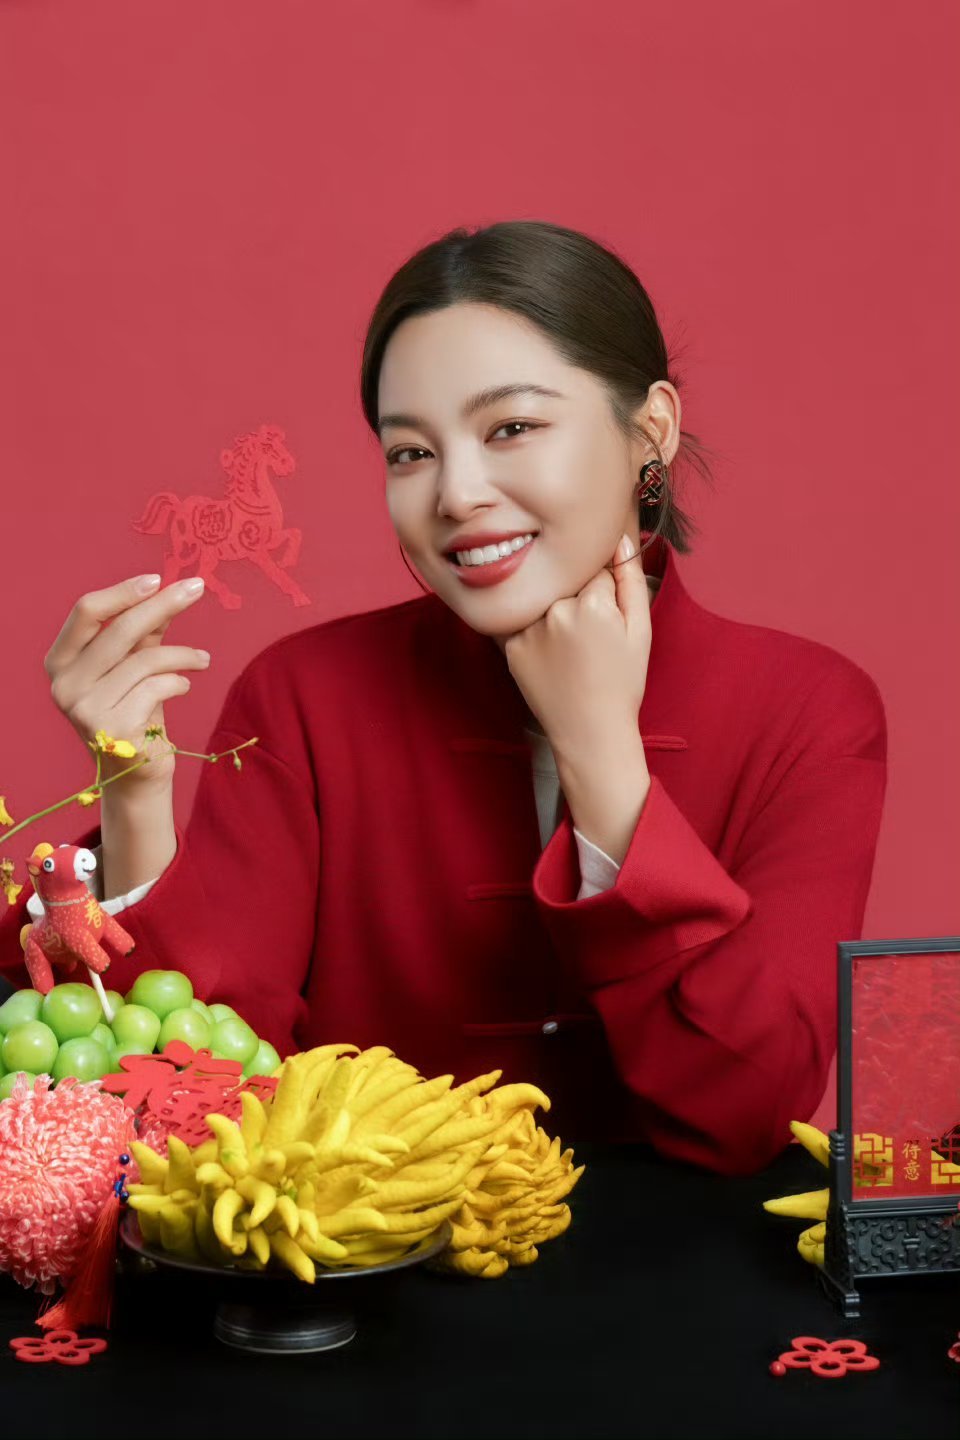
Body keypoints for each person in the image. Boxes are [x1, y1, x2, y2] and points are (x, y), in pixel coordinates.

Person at [0, 221, 887, 1175]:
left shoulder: (812, 712)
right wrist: (135, 795)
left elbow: (751, 1108)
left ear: (651, 430)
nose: (457, 495)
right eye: (411, 453)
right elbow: (199, 1100)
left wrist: (600, 752)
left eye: (512, 428)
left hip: (689, 1264)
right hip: (363, 1256)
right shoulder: (302, 697)